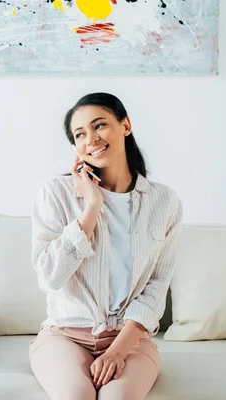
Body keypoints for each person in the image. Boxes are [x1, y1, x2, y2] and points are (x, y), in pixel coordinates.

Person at [29, 92, 183, 400]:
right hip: (65, 336)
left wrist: (117, 352)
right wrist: (92, 206)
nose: (91, 139)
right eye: (80, 134)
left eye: (99, 126)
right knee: (75, 395)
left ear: (125, 125)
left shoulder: (163, 201)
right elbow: (50, 276)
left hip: (130, 340)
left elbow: (156, 286)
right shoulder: (55, 194)